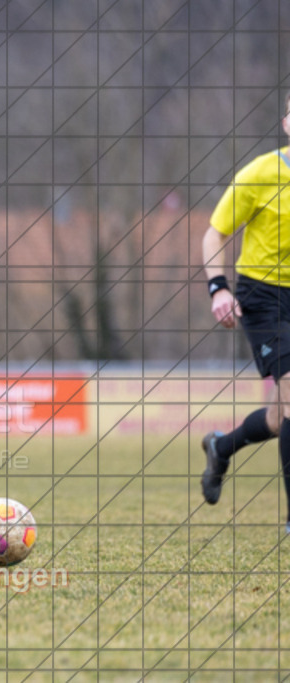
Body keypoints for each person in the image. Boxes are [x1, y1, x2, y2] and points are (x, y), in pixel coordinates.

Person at [200, 92, 290, 533]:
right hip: (263, 296)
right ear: (287, 124)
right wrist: (218, 288)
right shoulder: (261, 173)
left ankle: (221, 448)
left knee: (279, 417)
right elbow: (214, 235)